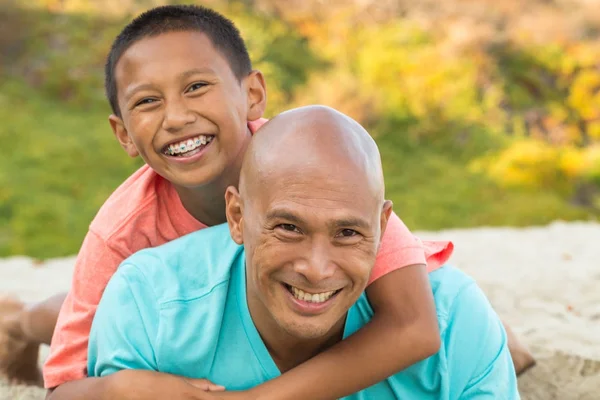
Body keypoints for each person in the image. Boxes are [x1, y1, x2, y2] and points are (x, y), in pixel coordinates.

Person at [0, 5, 459, 399]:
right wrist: (121, 388)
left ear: (253, 95)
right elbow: (63, 388)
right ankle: (18, 325)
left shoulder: (315, 168)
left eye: (197, 87)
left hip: (281, 319)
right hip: (177, 314)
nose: (177, 117)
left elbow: (414, 326)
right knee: (68, 315)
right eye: (147, 101)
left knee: (507, 350)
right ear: (124, 135)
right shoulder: (122, 230)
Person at [89, 105, 521, 399]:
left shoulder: (454, 321)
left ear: (384, 227)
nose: (316, 268)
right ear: (236, 217)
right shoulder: (147, 305)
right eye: (288, 228)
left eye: (348, 233)